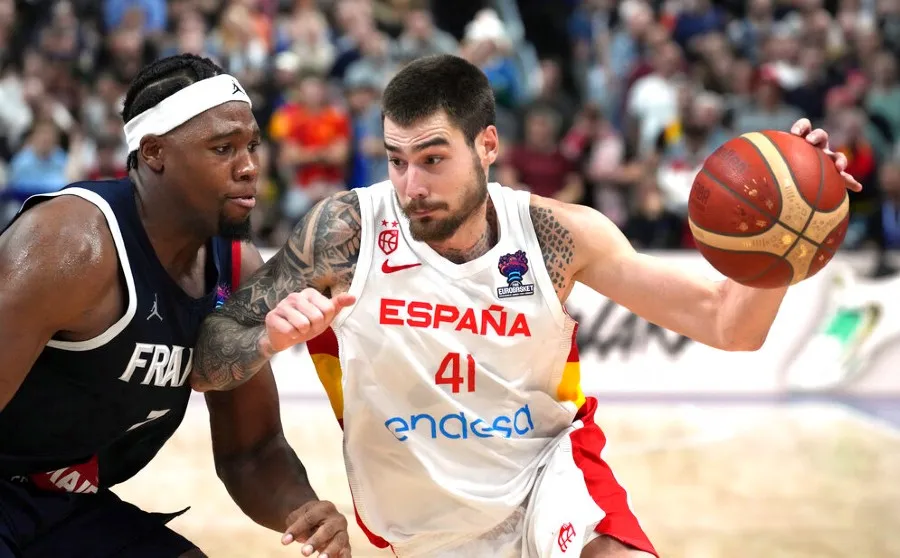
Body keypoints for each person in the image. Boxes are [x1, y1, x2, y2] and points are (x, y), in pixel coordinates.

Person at [190, 54, 861, 558]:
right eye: (396, 160)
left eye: (432, 159)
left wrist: (781, 238)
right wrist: (265, 342)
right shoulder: (347, 231)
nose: (410, 185)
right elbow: (211, 350)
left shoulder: (555, 234)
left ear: (488, 146)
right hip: (415, 524)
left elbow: (728, 324)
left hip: (549, 474)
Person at [0, 54, 350, 558]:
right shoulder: (72, 245)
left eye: (252, 145)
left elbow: (251, 451)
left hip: (67, 505)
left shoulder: (235, 268)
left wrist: (302, 508)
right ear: (155, 153)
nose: (250, 166)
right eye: (222, 148)